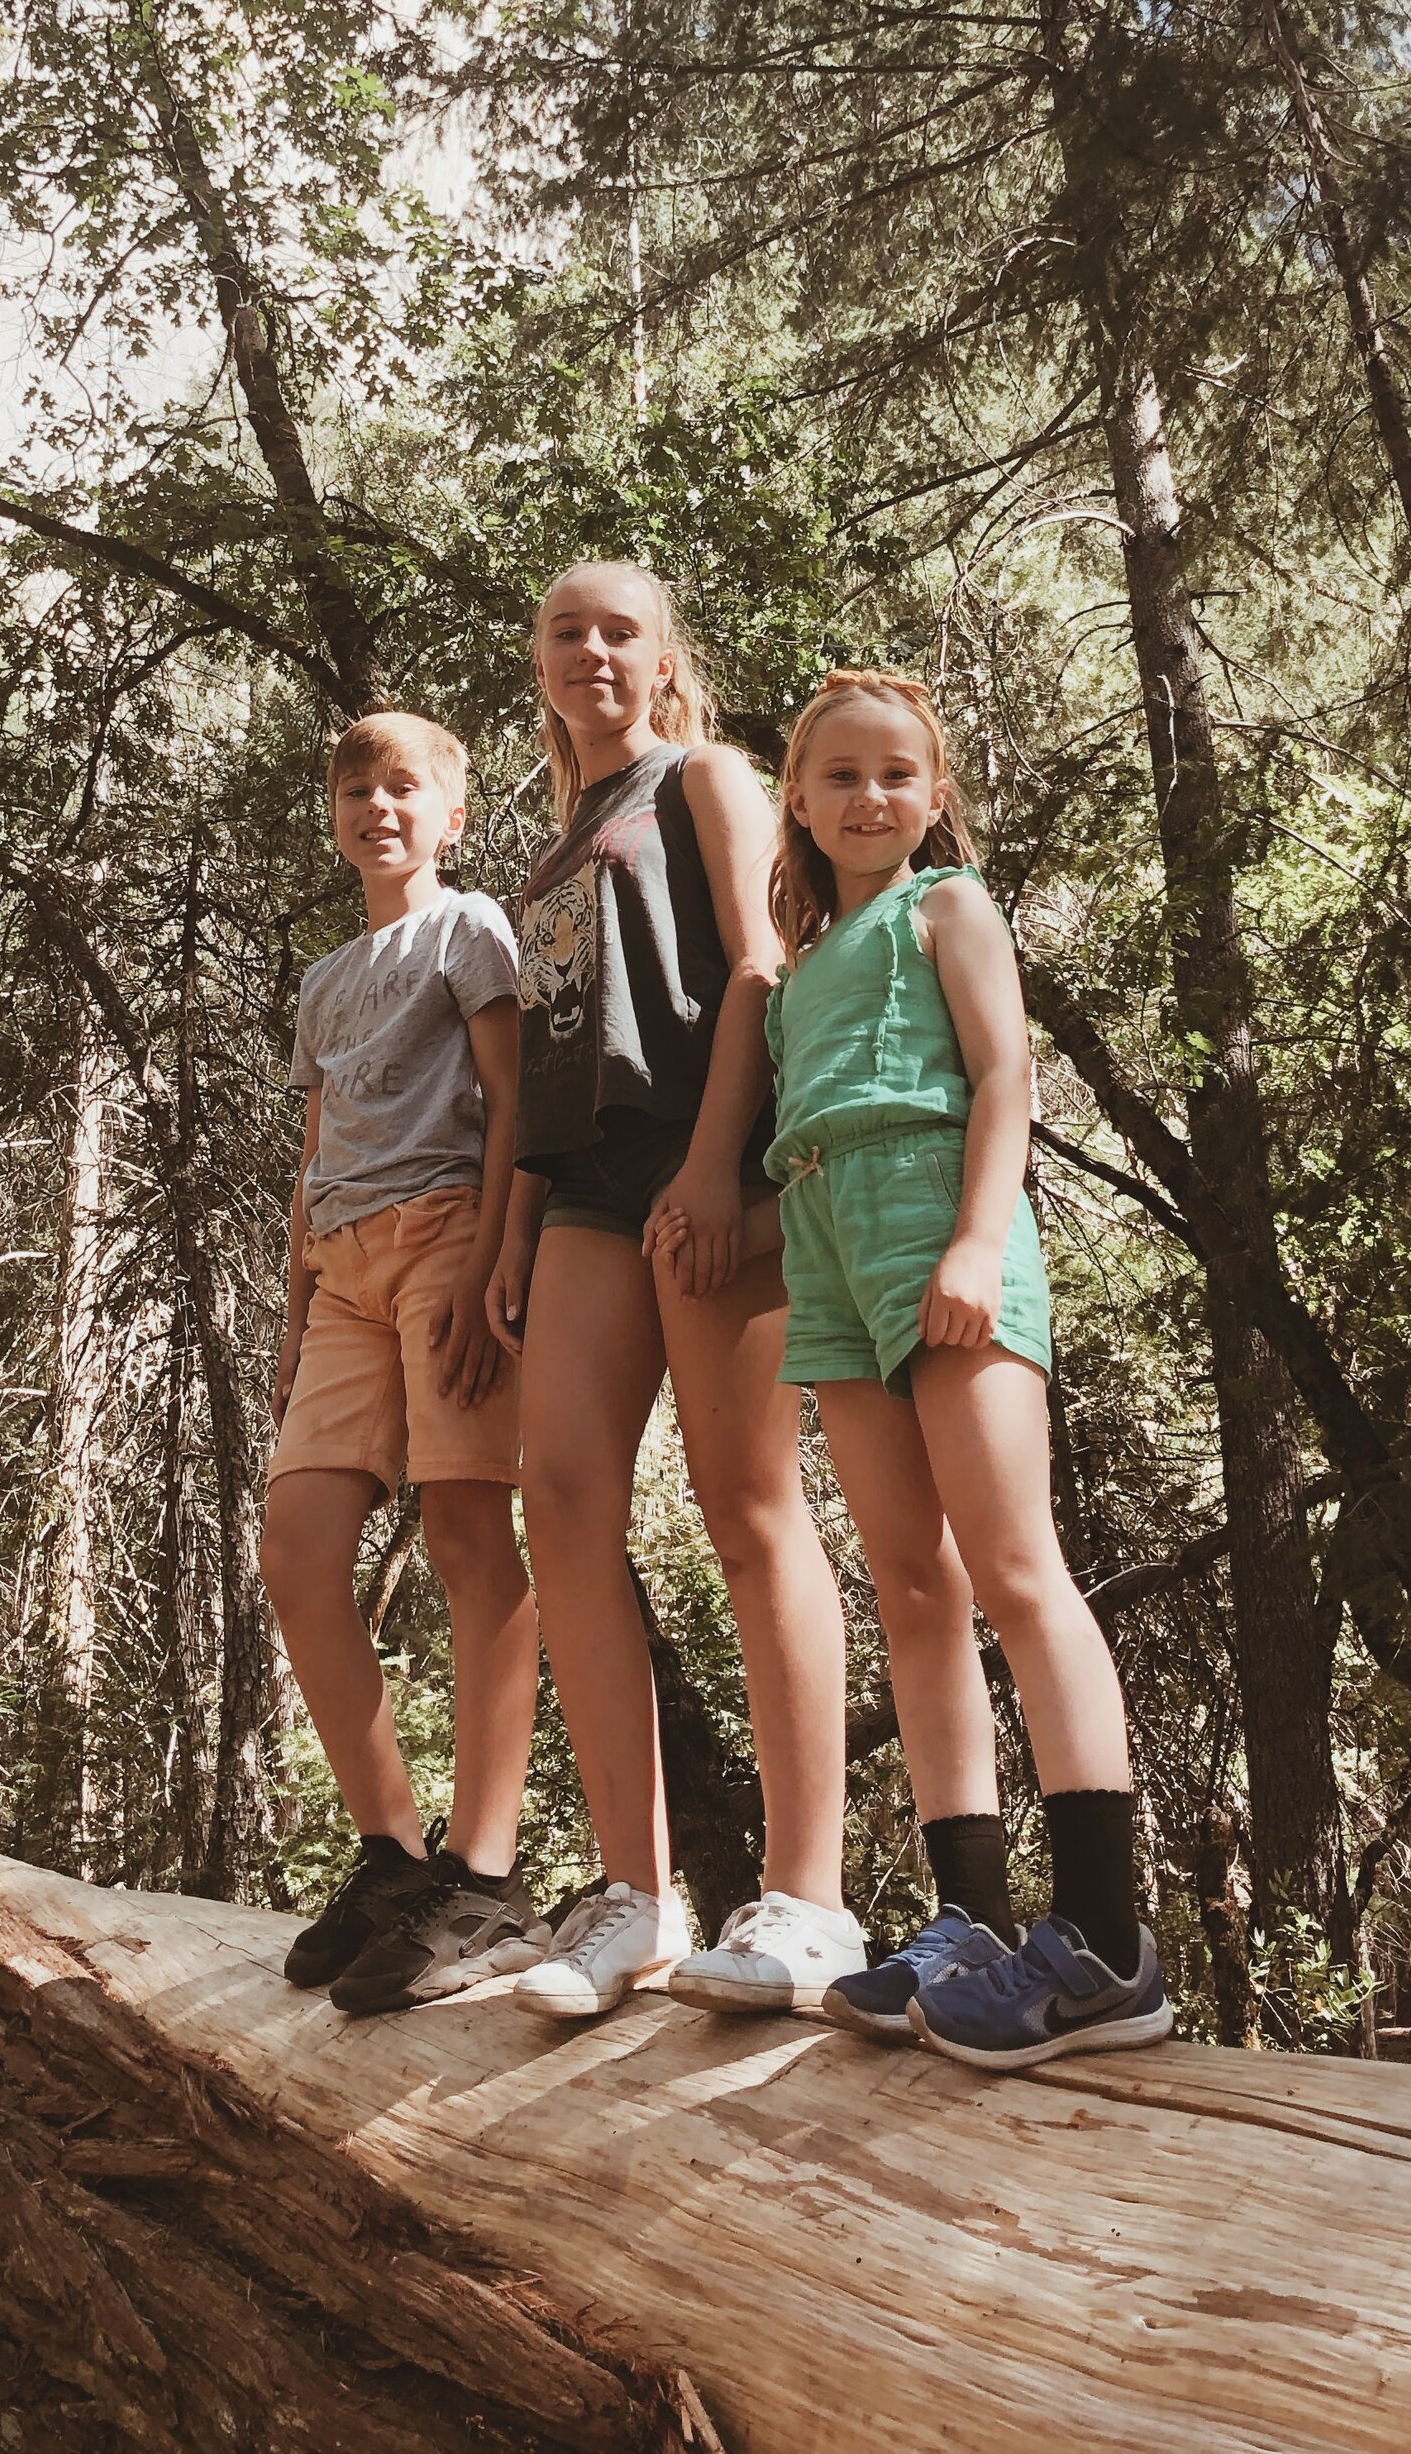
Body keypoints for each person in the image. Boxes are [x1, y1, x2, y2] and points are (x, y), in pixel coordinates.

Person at [746, 667, 1172, 2068]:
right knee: (912, 1583)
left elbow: (1002, 1077)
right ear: (797, 802)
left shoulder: (949, 906)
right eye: (841, 776)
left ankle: (1107, 1939)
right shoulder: (800, 968)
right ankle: (968, 1915)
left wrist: (981, 1240)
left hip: (937, 1214)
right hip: (829, 1248)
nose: (870, 797)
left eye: (897, 774)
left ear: (934, 798)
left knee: (1012, 1565)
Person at [492, 563, 865, 2021]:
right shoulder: (545, 855)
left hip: (718, 1163)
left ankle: (810, 1898)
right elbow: (544, 1066)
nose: (592, 648)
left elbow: (764, 966)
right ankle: (634, 1896)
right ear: (543, 663)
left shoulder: (703, 777)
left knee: (745, 1499)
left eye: (618, 630)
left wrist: (719, 1171)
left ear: (662, 660)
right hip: (588, 1187)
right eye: (567, 631)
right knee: (560, 1494)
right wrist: (514, 1227)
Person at [261, 710, 547, 2014]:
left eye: (404, 787)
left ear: (452, 814)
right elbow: (315, 1154)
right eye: (356, 789)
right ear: (336, 815)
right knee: (296, 1546)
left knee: (470, 1535)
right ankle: (393, 1846)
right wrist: (290, 1314)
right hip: (342, 1275)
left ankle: (487, 1869)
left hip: (444, 1237)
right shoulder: (326, 979)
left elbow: (512, 1097)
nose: (378, 806)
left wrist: (501, 1258)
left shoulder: (469, 927)